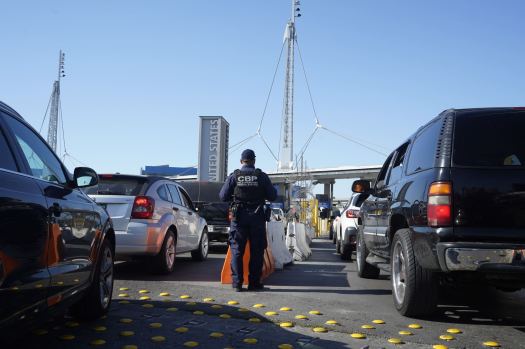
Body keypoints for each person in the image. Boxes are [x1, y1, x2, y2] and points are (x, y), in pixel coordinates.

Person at [219, 149, 277, 292]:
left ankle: (237, 283)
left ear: (241, 161)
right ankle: (254, 283)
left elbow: (223, 196)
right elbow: (273, 196)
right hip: (257, 218)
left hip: (238, 219)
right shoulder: (261, 176)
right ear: (254, 161)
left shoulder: (235, 176)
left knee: (237, 250)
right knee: (257, 251)